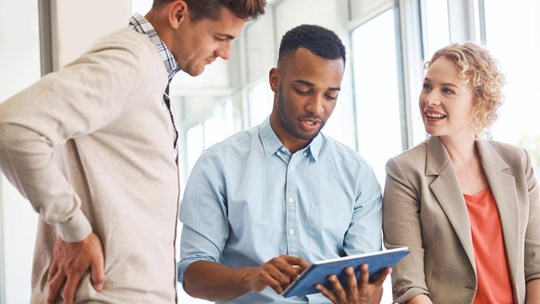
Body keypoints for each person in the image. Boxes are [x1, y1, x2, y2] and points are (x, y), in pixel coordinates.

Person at [0, 1, 265, 303]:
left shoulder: (149, 73)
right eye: (220, 38)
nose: (226, 53)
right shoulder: (129, 63)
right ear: (178, 14)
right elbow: (13, 127)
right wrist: (73, 229)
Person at [177, 24, 390, 304]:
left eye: (330, 95)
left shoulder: (357, 174)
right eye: (303, 90)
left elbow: (367, 286)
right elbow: (192, 275)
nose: (317, 107)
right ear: (275, 80)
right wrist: (251, 277)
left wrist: (365, 296)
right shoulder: (219, 164)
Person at [382, 42, 540, 304]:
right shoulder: (404, 171)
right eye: (427, 86)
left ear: (479, 101)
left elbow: (536, 264)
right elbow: (409, 285)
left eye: (447, 90)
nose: (430, 99)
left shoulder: (517, 162)